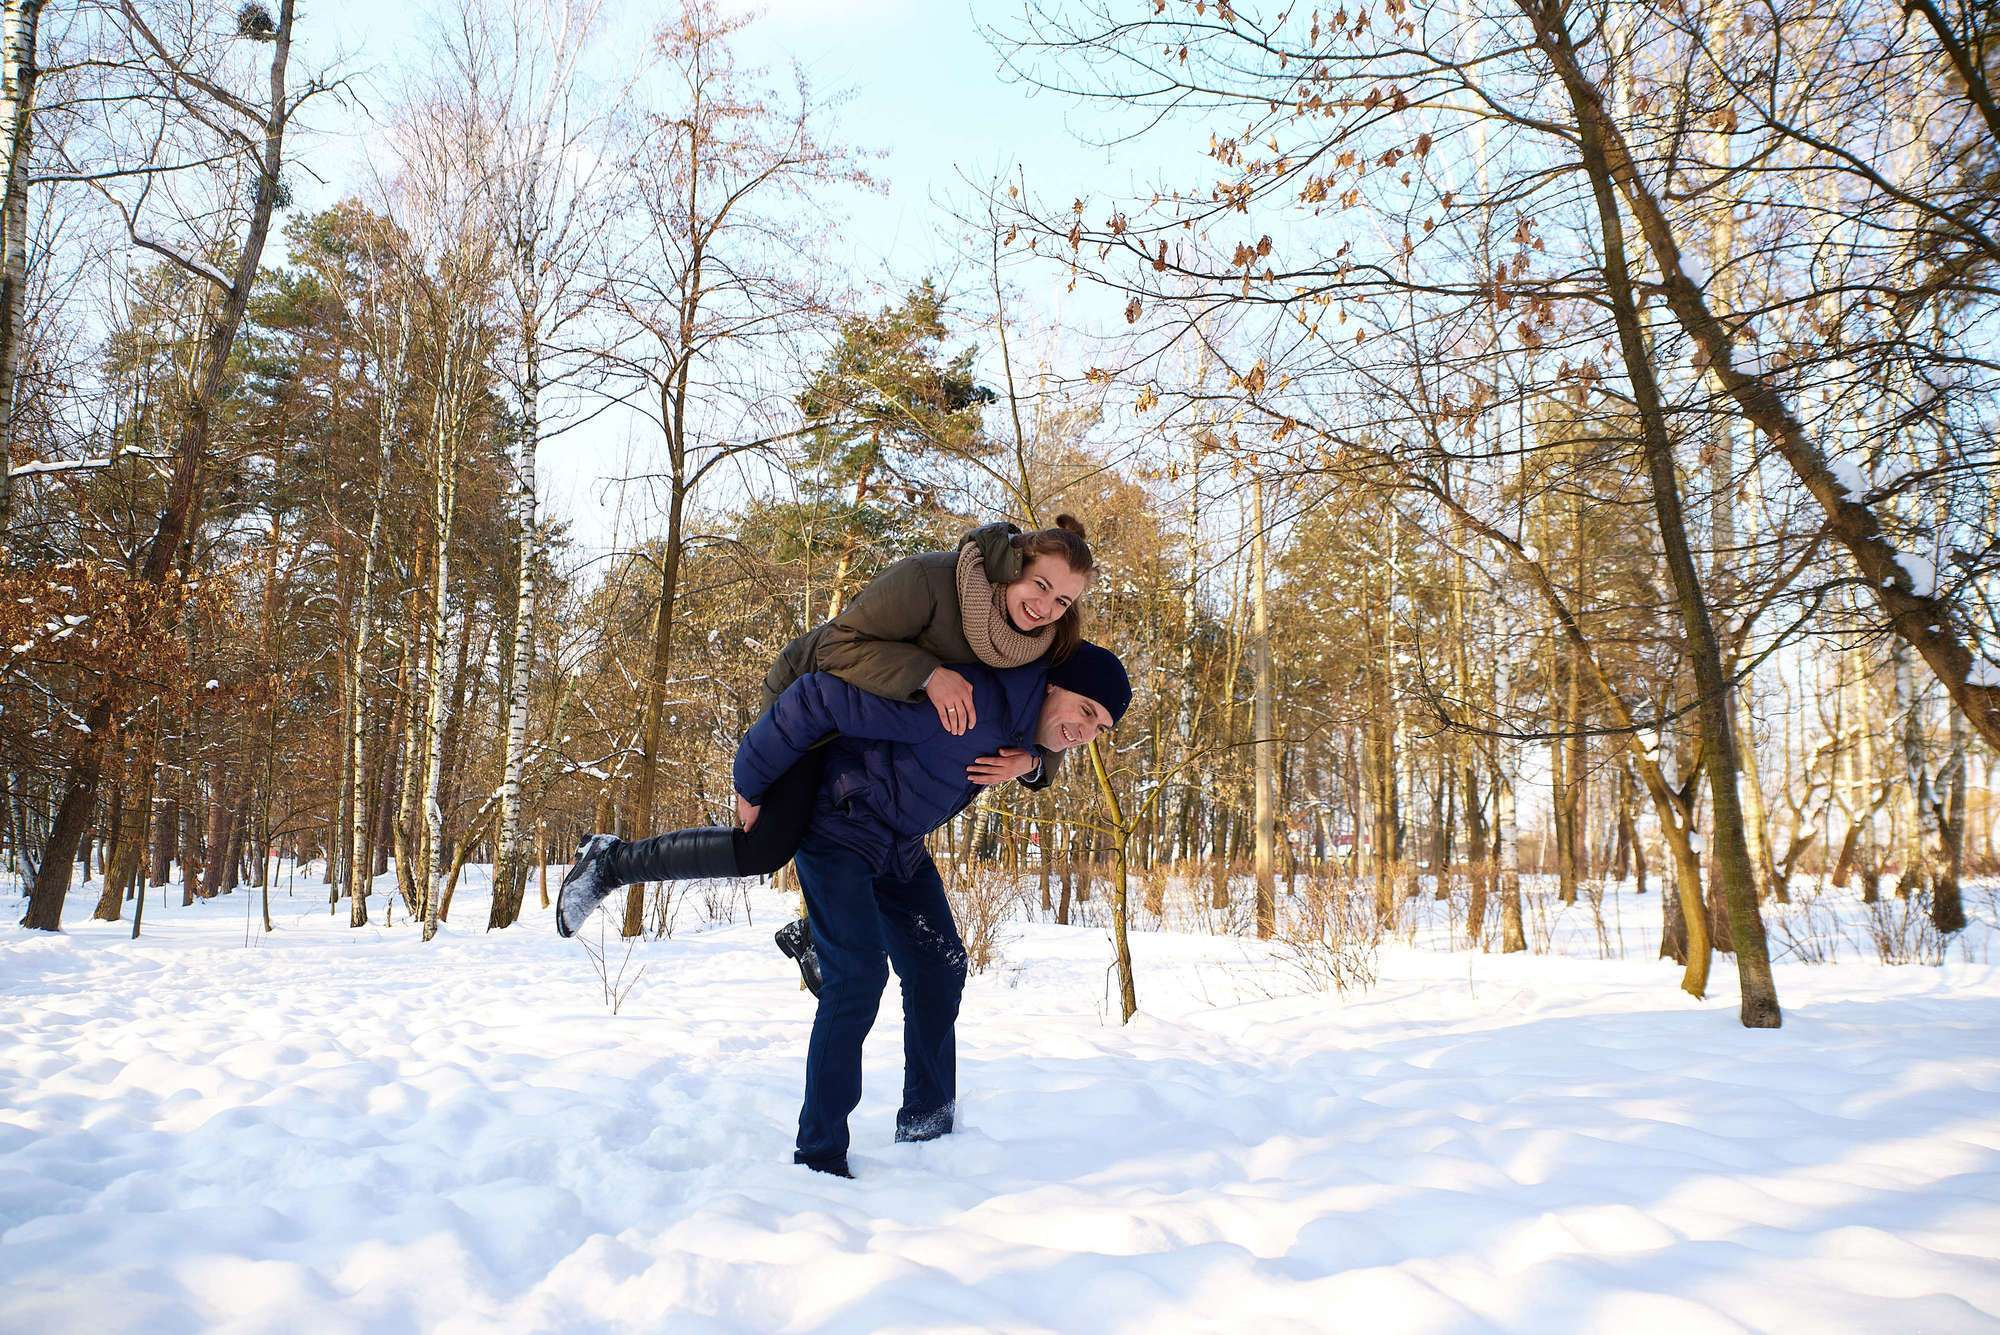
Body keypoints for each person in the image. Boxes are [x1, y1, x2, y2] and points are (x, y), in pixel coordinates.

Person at [555, 517, 1099, 993]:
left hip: (882, 735)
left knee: (876, 832)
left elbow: (1069, 709)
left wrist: (1033, 764)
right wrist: (929, 675)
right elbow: (836, 648)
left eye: (1063, 601)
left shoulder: (1044, 639)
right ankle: (611, 863)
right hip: (819, 708)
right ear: (1012, 566)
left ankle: (817, 931)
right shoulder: (931, 580)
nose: (1045, 606)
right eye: (1040, 585)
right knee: (765, 846)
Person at [733, 640, 1132, 1178]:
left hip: (899, 843)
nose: (1086, 734)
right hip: (839, 827)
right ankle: (818, 1158)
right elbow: (817, 697)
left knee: (940, 967)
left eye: (1100, 728)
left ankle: (928, 1127)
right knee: (856, 980)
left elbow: (1047, 736)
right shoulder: (963, 706)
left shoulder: (1022, 727)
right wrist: (751, 784)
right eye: (1086, 712)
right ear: (1053, 685)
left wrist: (1034, 758)